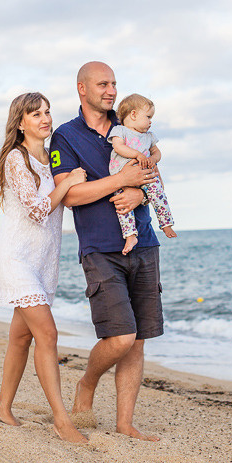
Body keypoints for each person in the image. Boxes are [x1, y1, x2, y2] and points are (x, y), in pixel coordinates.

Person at [49, 62, 163, 441]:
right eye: (103, 84)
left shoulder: (131, 123)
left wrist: (140, 191)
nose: (111, 90)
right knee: (120, 338)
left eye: (114, 83)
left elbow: (153, 174)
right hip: (100, 247)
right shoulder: (65, 137)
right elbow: (70, 195)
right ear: (82, 88)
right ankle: (87, 382)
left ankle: (125, 423)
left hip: (144, 241)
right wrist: (121, 180)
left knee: (139, 338)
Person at [0, 91, 88, 444]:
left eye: (47, 112)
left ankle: (3, 408)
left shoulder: (53, 157)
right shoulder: (16, 160)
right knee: (47, 335)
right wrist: (66, 184)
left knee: (20, 338)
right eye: (36, 114)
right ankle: (62, 421)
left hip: (44, 261)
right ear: (20, 122)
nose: (45, 119)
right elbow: (36, 210)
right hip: (16, 257)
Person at [108, 93, 177, 255]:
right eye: (148, 116)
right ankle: (130, 235)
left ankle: (166, 222)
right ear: (133, 114)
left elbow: (157, 152)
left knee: (158, 193)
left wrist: (152, 158)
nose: (150, 121)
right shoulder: (120, 131)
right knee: (123, 207)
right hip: (121, 176)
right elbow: (118, 147)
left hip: (145, 174)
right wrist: (137, 155)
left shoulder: (149, 136)